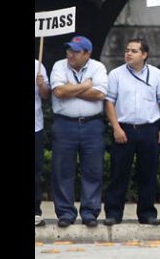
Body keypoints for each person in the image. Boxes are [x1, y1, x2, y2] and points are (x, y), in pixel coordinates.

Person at [103, 38, 160, 226]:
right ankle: (114, 213)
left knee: (148, 174)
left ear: (144, 55)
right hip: (124, 129)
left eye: (133, 51)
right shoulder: (116, 74)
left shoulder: (157, 74)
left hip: (149, 129)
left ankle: (147, 213)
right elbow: (109, 101)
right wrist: (116, 127)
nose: (128, 53)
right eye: (127, 50)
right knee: (118, 173)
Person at [49, 36, 108, 227]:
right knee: (62, 170)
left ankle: (90, 213)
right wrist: (84, 86)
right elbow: (58, 92)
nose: (70, 54)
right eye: (69, 50)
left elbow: (99, 94)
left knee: (92, 170)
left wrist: (70, 89)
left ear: (87, 54)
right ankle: (65, 213)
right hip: (64, 124)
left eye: (75, 51)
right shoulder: (60, 66)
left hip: (92, 125)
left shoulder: (97, 67)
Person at [35, 59, 51, 227]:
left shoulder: (37, 65)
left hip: (35, 127)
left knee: (35, 172)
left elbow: (46, 95)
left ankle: (35, 212)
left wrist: (41, 85)